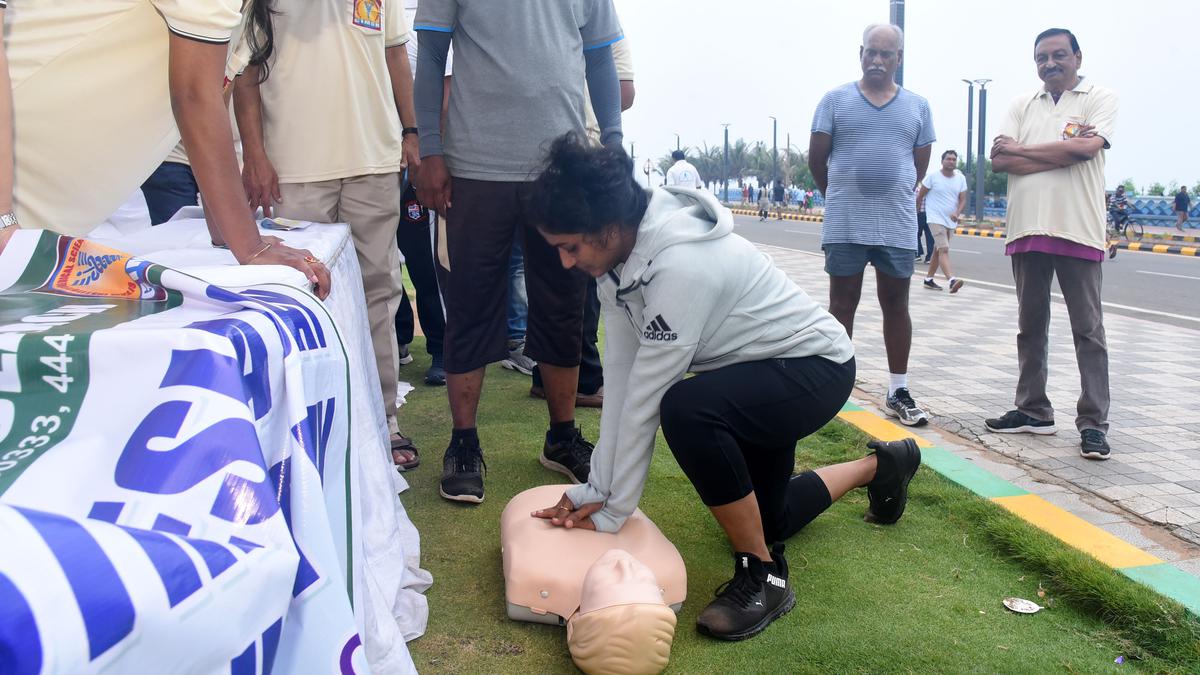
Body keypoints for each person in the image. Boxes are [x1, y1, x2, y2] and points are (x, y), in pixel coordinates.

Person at [530, 135, 922, 642]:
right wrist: (598, 492)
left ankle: (763, 573)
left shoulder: (680, 266)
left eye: (570, 247)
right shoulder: (619, 262)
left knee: (688, 411)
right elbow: (622, 381)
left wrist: (611, 507)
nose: (565, 262)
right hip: (758, 370)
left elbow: (645, 402)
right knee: (770, 518)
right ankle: (883, 464)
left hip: (815, 367)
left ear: (608, 227)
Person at [413, 0, 625, 503]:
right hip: (476, 166)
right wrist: (430, 150)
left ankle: (562, 437)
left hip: (563, 169)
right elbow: (430, 57)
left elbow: (600, 58)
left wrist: (613, 141)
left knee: (564, 307)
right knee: (471, 303)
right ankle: (463, 443)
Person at [3, 1, 330, 296]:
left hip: (35, 216)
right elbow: (193, 98)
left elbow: (209, 114)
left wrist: (228, 236)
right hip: (17, 189)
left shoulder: (247, 18)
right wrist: (251, 248)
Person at [234, 0, 422, 468]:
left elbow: (396, 54)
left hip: (374, 160)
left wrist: (414, 132)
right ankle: (307, 425)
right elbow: (245, 73)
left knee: (379, 292)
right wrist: (254, 154)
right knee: (301, 299)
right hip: (294, 169)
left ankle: (385, 420)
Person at [985, 28, 1118, 461]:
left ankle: (1094, 423)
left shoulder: (1099, 98)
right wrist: (1063, 148)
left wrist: (1030, 150)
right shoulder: (1022, 104)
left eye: (1059, 55)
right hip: (1026, 229)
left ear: (1078, 56)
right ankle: (1033, 410)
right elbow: (1001, 159)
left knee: (1088, 331)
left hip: (1078, 229)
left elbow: (1086, 149)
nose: (1050, 63)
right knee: (1030, 327)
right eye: (1041, 57)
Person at [808, 23, 935, 426]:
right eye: (871, 52)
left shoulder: (917, 106)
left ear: (899, 58)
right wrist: (840, 195)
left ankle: (898, 389)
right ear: (860, 53)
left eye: (887, 54)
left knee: (896, 304)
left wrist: (893, 191)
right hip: (845, 222)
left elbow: (919, 164)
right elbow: (817, 160)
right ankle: (834, 386)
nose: (877, 60)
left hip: (896, 225)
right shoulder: (835, 100)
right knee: (842, 304)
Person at [917, 150, 968, 292]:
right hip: (934, 218)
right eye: (948, 159)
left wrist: (957, 213)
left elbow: (963, 199)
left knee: (937, 250)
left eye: (954, 159)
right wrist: (915, 213)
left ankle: (929, 279)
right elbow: (920, 196)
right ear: (942, 161)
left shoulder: (960, 178)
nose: (951, 161)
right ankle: (952, 280)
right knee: (944, 249)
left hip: (951, 220)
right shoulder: (932, 177)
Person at [1107, 184, 1130, 259]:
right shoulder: (1113, 196)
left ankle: (1120, 225)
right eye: (1119, 191)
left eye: (1122, 191)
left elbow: (1127, 202)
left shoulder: (1123, 196)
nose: (1120, 193)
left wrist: (1132, 206)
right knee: (1116, 220)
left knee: (1126, 214)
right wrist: (1119, 207)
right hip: (1113, 210)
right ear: (1117, 190)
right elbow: (1115, 203)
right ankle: (1116, 232)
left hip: (1119, 210)